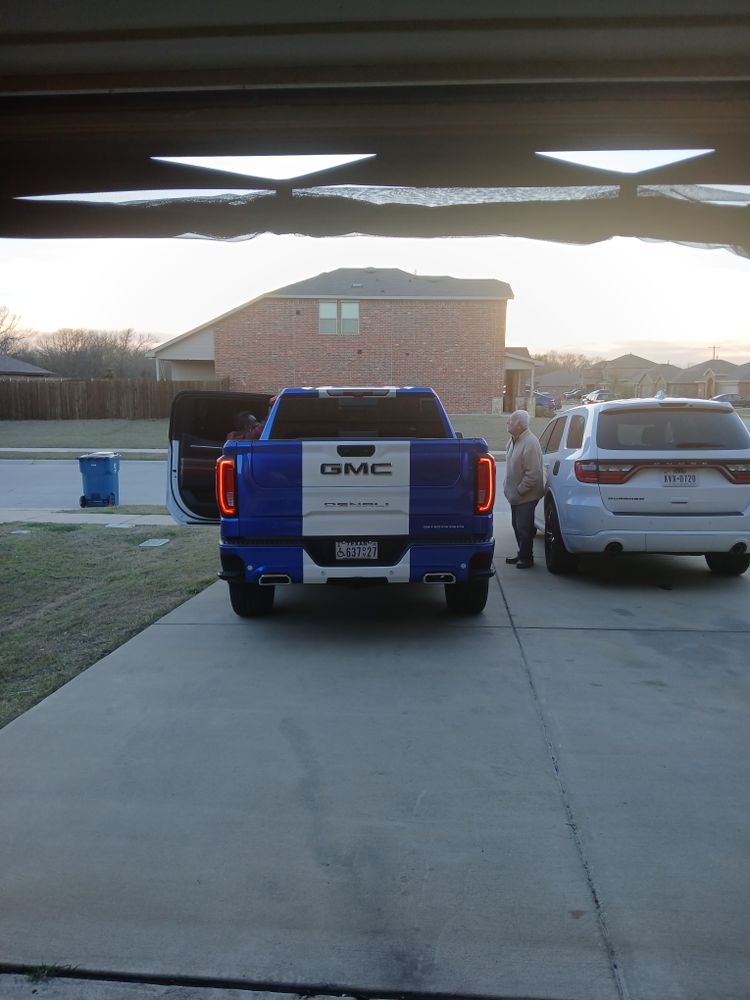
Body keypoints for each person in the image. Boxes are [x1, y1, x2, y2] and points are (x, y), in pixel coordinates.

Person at [503, 409, 544, 569]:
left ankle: (527, 558)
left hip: (526, 496)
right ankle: (522, 553)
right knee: (517, 526)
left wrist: (519, 491)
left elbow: (533, 474)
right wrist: (508, 488)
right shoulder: (513, 440)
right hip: (515, 496)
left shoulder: (530, 442)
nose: (508, 422)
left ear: (520, 425)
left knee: (525, 529)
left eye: (511, 420)